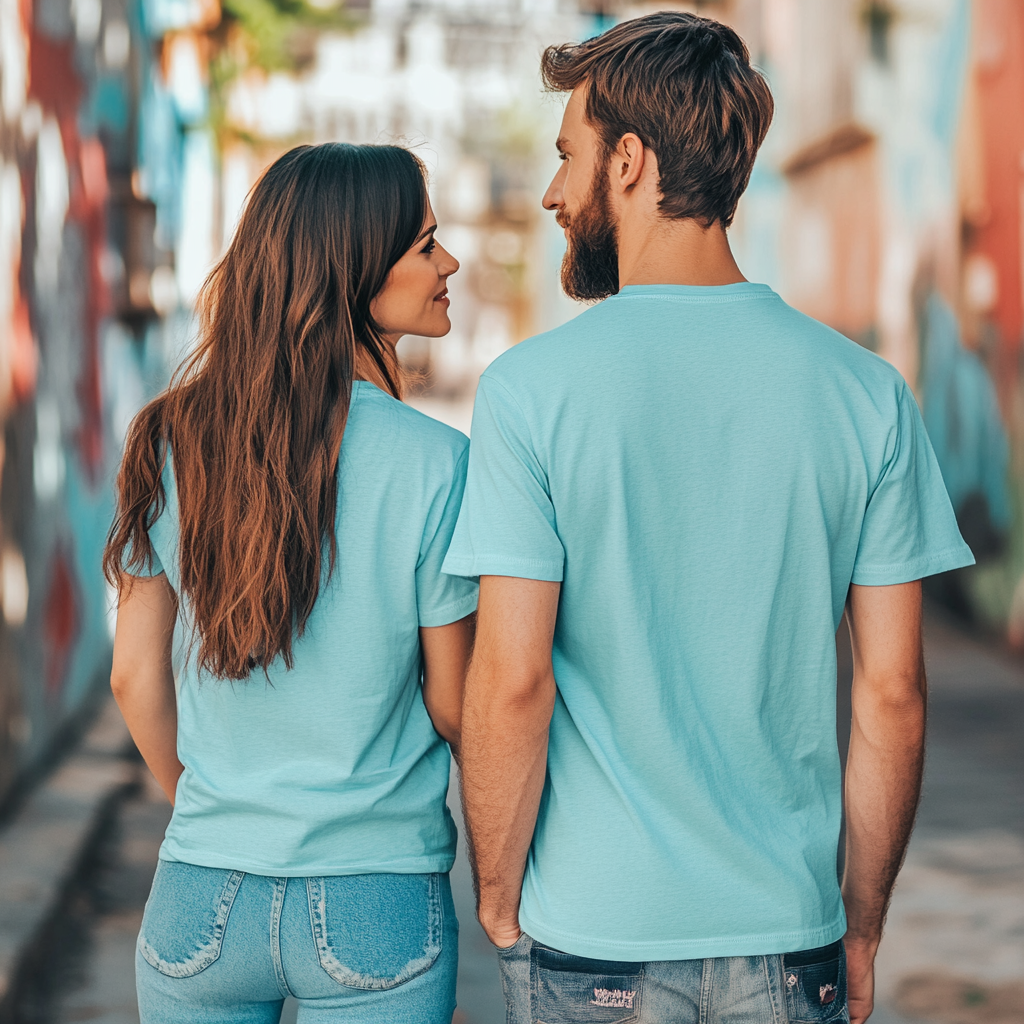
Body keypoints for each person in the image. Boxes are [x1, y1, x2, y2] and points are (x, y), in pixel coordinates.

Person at [442, 13, 974, 1024]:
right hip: (788, 939)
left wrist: (499, 894)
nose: (554, 193)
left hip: (594, 938)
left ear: (630, 161)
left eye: (567, 158)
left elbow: (511, 681)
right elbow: (891, 691)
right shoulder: (864, 394)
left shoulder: (530, 393)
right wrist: (859, 924)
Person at [104, 143, 476, 1023]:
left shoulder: (169, 439)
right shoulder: (438, 465)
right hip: (375, 898)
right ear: (355, 267)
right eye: (425, 245)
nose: (448, 262)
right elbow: (459, 706)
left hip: (200, 895)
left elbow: (133, 677)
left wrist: (221, 816)